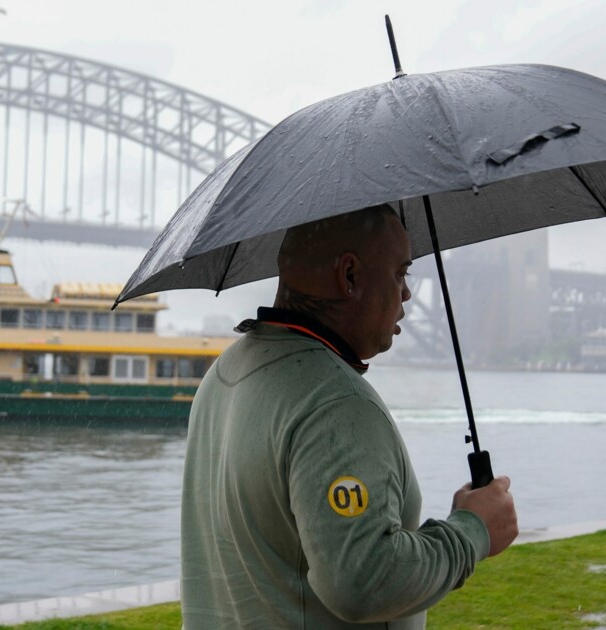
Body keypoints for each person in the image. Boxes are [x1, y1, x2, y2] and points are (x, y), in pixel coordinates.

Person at [180, 202, 519, 629]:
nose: (408, 294)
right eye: (400, 273)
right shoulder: (336, 405)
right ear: (350, 277)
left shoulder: (226, 373)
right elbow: (362, 581)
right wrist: (473, 531)